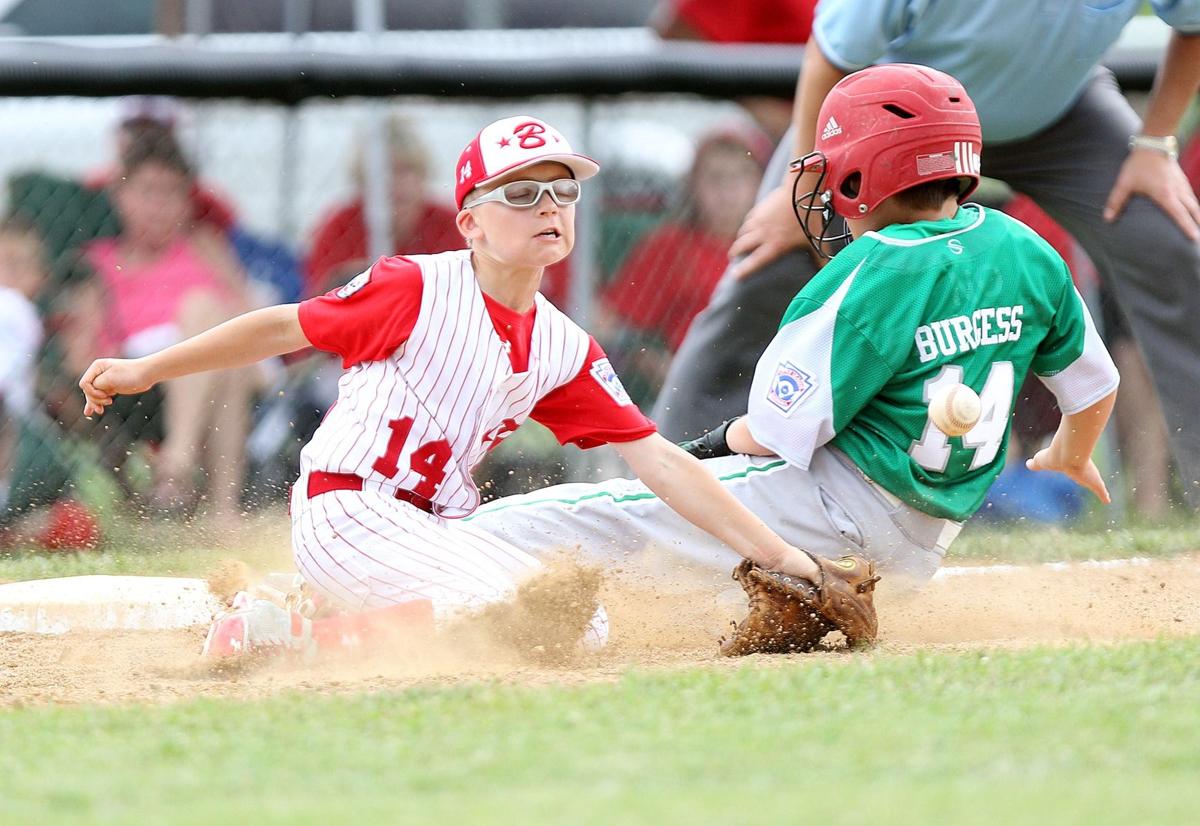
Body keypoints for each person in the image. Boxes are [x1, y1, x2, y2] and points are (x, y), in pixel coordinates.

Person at [79, 115, 855, 659]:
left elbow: (659, 461)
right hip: (347, 507)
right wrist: (147, 368)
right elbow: (284, 326)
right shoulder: (414, 286)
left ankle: (305, 605)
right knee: (498, 616)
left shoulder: (563, 346)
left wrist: (782, 555)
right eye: (520, 194)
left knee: (579, 627)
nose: (547, 207)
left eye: (561, 191)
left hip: (432, 530)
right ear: (471, 224)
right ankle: (291, 637)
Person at [469, 66, 1120, 593]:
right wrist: (1072, 451)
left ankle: (444, 551)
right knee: (678, 572)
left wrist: (707, 447)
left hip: (830, 514)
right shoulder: (1024, 248)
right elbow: (1094, 384)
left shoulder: (871, 270)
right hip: (922, 546)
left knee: (597, 514)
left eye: (838, 166)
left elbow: (773, 434)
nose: (828, 183)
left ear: (866, 173)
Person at [655, 1, 1200, 517]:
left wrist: (1156, 145)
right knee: (770, 251)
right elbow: (831, 50)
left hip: (1060, 113)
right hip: (901, 116)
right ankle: (669, 482)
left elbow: (1194, 21)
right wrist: (805, 176)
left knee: (1168, 242)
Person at [67, 125, 259, 520]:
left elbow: (250, 316)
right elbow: (82, 355)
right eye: (147, 191)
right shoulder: (98, 261)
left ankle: (179, 470)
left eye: (172, 192)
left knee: (209, 319)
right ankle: (219, 507)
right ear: (119, 195)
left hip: (219, 361)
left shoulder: (206, 246)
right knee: (208, 319)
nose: (159, 206)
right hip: (141, 377)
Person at [597, 122, 769, 406]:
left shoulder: (771, 243)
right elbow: (614, 327)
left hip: (760, 383)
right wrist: (672, 374)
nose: (728, 190)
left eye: (742, 175)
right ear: (693, 185)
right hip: (685, 387)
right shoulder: (670, 246)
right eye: (715, 178)